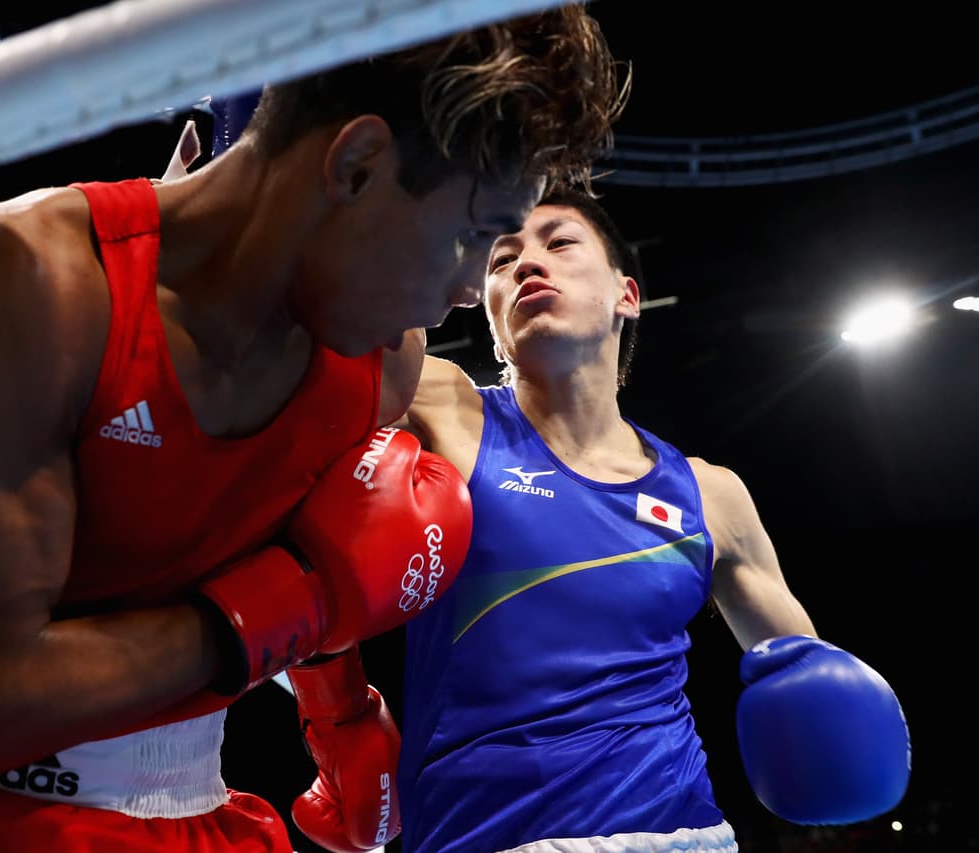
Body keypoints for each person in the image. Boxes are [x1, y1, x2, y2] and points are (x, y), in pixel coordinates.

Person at [0, 6, 628, 852]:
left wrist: (343, 712)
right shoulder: (33, 284)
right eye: (468, 238)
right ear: (359, 164)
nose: (459, 292)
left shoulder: (382, 359)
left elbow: (313, 537)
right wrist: (287, 607)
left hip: (191, 810)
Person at [391, 189, 912, 853]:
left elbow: (805, 675)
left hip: (681, 832)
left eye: (559, 242)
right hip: (482, 836)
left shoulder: (710, 494)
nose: (526, 264)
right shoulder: (439, 406)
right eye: (500, 258)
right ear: (486, 312)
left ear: (626, 294)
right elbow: (314, 332)